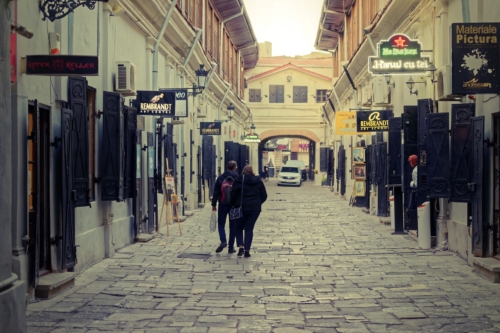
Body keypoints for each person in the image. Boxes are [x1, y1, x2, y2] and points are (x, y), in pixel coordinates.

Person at [230, 165, 267, 258]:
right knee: (249, 228)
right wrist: (258, 203)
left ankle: (240, 248)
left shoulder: (238, 180)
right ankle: (247, 250)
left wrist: (235, 203)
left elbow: (233, 194)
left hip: (241, 207)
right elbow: (264, 195)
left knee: (238, 227)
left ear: (243, 171)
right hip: (255, 209)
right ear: (252, 171)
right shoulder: (258, 181)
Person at [212, 161, 238, 253]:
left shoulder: (220, 177)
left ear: (227, 167)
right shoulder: (237, 177)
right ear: (235, 167)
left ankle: (223, 241)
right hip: (233, 205)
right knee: (233, 226)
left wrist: (214, 204)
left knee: (221, 224)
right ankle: (231, 247)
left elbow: (216, 192)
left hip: (222, 204)